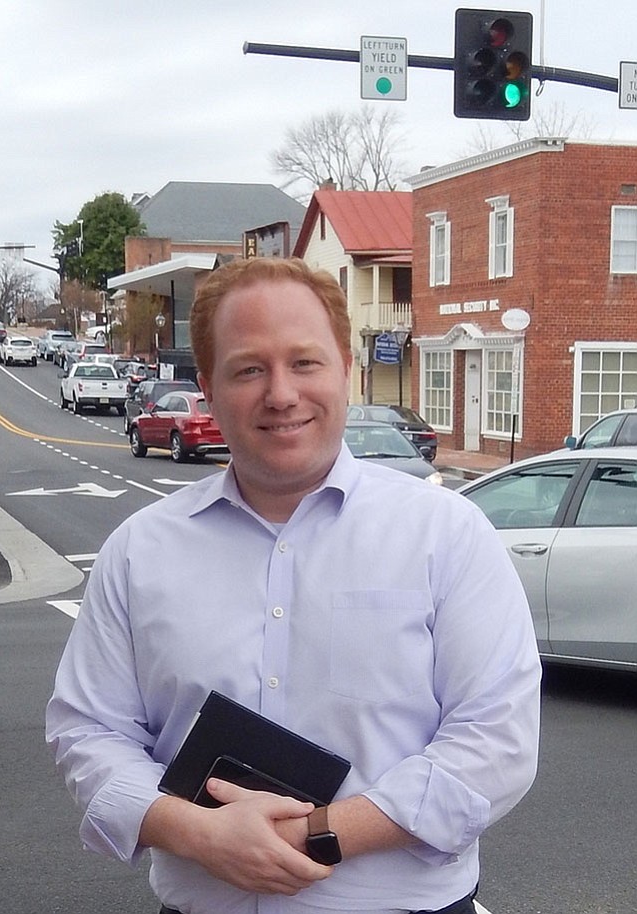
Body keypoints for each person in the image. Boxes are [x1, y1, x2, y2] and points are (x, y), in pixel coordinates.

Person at [46, 257, 541, 914]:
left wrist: (319, 837)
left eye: (304, 363)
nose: (281, 394)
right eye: (249, 369)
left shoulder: (447, 535)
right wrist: (196, 832)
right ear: (210, 389)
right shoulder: (140, 552)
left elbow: (495, 742)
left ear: (346, 368)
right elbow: (89, 729)